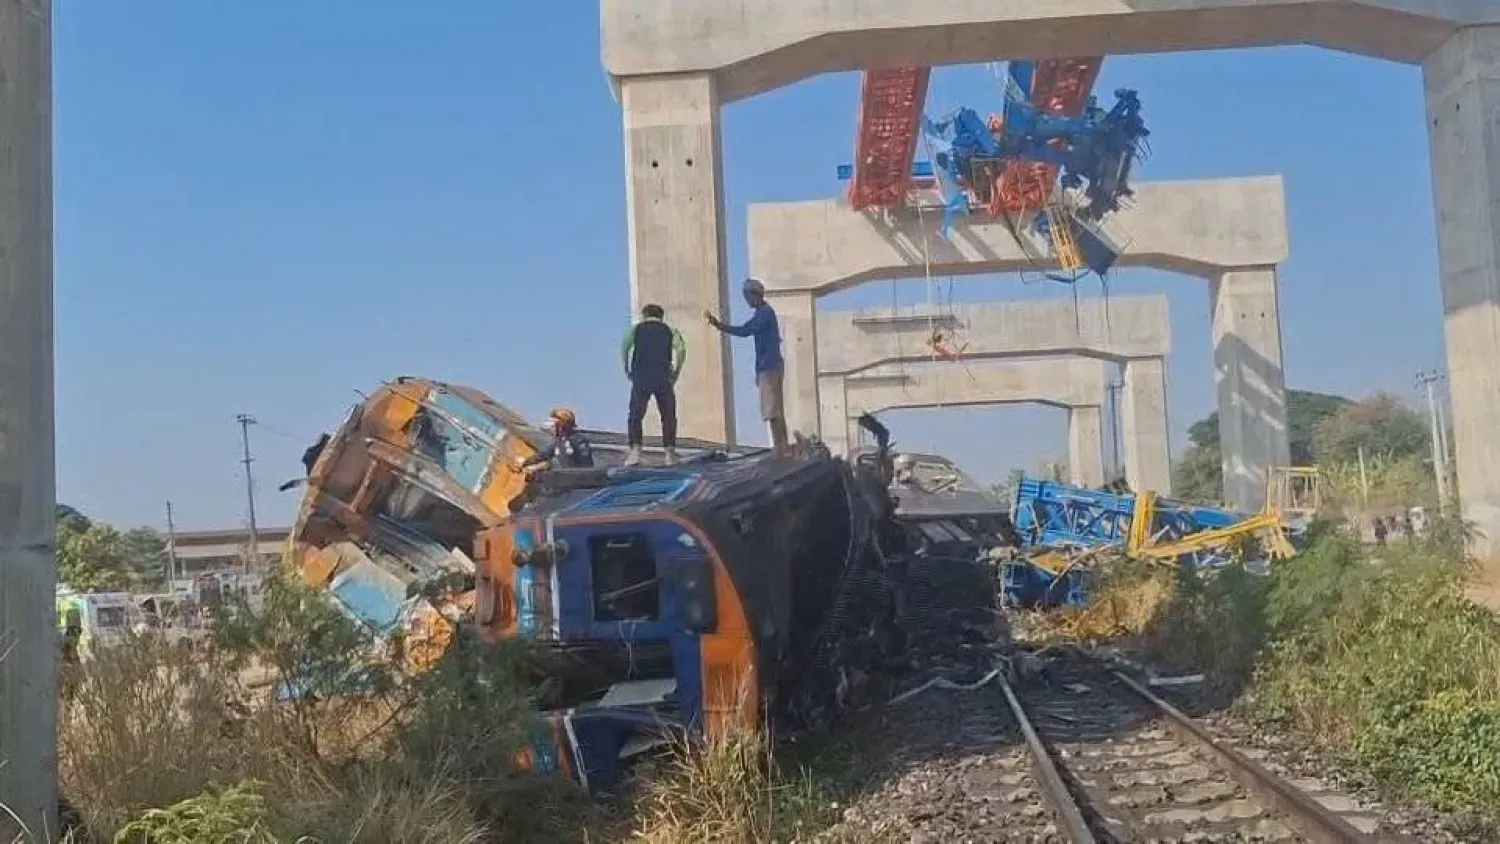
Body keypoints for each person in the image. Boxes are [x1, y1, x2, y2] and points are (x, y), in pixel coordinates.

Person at [706, 277, 788, 455]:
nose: (746, 301)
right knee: (774, 409)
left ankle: (781, 448)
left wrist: (719, 326)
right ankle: (782, 446)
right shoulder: (764, 313)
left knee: (772, 409)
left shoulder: (764, 313)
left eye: (746, 297)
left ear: (754, 295)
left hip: (769, 365)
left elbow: (745, 331)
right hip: (769, 364)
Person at [622, 303, 686, 467]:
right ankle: (670, 453)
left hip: (641, 374)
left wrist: (627, 368)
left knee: (636, 414)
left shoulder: (636, 330)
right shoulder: (670, 331)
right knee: (668, 415)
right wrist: (676, 371)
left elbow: (625, 347)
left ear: (644, 315)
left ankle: (635, 451)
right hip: (663, 375)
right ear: (661, 316)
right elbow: (681, 350)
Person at [517, 407, 594, 471]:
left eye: (554, 425)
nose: (551, 428)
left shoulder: (579, 440)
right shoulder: (558, 442)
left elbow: (586, 466)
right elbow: (542, 455)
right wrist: (525, 462)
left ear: (562, 425)